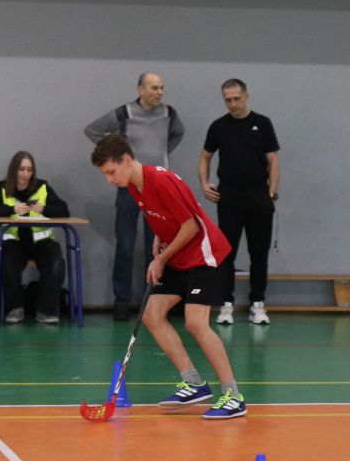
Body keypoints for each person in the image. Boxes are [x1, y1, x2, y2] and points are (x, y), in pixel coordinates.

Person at [91, 134, 245, 419]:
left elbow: (191, 226)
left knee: (195, 323)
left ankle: (233, 396)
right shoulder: (134, 186)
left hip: (204, 255)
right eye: (105, 175)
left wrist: (160, 259)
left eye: (111, 172)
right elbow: (162, 216)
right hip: (179, 255)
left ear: (127, 160)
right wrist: (158, 239)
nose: (109, 180)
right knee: (152, 314)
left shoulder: (160, 180)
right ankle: (194, 383)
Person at [84, 71, 185, 320]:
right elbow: (93, 131)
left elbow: (177, 135)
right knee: (125, 247)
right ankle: (122, 303)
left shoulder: (170, 114)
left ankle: (152, 303)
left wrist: (161, 154)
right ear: (141, 89)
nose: (160, 92)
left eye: (161, 87)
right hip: (128, 188)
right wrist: (115, 156)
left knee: (157, 249)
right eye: (154, 88)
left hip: (158, 190)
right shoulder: (123, 114)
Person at [199, 78, 279, 326]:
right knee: (226, 253)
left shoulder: (262, 123)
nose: (233, 104)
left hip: (259, 197)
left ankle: (258, 304)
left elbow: (273, 160)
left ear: (246, 96)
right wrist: (205, 183)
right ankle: (226, 305)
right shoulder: (218, 126)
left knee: (259, 253)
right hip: (230, 197)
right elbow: (205, 157)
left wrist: (271, 193)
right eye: (228, 100)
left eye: (236, 98)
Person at [0, 151, 70, 324]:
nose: (25, 174)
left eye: (29, 170)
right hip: (14, 242)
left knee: (56, 261)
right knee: (7, 262)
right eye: (21, 169)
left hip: (41, 242)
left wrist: (44, 209)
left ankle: (46, 310)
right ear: (14, 170)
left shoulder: (43, 188)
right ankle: (15, 308)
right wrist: (11, 210)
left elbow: (64, 211)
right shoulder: (1, 189)